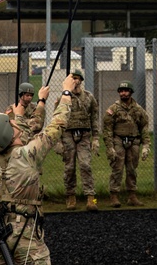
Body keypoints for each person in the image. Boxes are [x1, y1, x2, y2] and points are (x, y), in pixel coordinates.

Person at [0, 75, 74, 265]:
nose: (14, 123)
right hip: (26, 232)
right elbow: (58, 123)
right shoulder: (28, 154)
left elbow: (19, 134)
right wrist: (66, 92)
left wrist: (20, 115)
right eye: (11, 124)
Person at [54, 69, 100, 211]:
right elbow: (57, 119)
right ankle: (70, 196)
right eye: (72, 78)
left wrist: (96, 138)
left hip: (84, 135)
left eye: (77, 78)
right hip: (68, 134)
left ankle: (91, 198)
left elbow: (94, 118)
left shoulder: (88, 98)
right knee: (69, 167)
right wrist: (57, 141)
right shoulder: (63, 98)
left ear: (81, 80)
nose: (75, 81)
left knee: (85, 165)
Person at [102, 81, 150, 208]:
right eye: (121, 91)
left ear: (131, 92)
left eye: (126, 90)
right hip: (118, 140)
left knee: (132, 169)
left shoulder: (139, 110)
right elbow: (107, 129)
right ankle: (114, 196)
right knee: (117, 168)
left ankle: (132, 196)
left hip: (134, 141)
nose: (123, 93)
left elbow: (144, 127)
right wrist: (110, 147)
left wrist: (146, 145)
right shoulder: (113, 109)